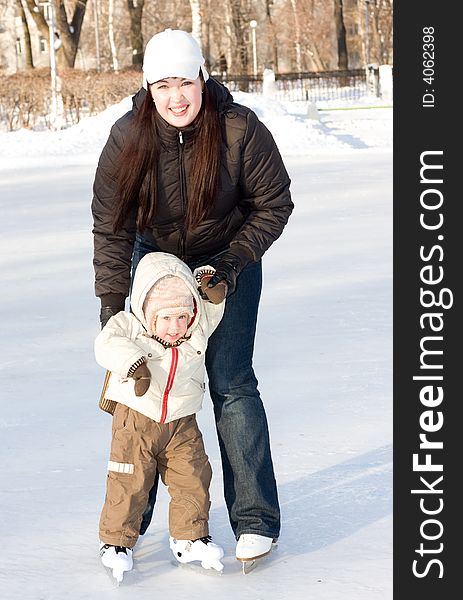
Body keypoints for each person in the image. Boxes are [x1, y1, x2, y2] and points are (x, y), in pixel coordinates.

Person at [91, 28, 294, 563]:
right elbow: (110, 228)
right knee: (145, 393)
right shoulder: (127, 137)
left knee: (231, 383)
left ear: (203, 78)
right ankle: (129, 528)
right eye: (163, 86)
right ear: (149, 89)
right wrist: (113, 308)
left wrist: (230, 262)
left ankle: (254, 520)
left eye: (185, 81)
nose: (176, 96)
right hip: (153, 265)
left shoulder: (238, 128)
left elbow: (274, 204)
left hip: (227, 262)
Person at [95, 251, 227, 581]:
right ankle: (115, 542)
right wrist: (135, 365)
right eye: (166, 319)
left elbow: (211, 302)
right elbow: (106, 343)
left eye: (182, 318)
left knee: (193, 478)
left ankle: (190, 537)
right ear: (150, 314)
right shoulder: (130, 324)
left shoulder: (196, 329)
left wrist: (208, 282)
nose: (175, 327)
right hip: (136, 419)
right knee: (129, 479)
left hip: (182, 422)